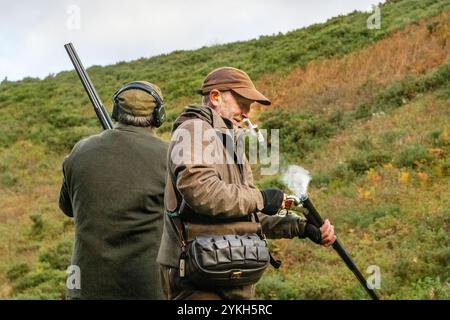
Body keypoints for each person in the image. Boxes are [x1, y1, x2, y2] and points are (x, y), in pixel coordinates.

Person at [157, 67, 336, 300]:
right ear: (215, 97)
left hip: (227, 269)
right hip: (199, 275)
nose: (247, 113)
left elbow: (247, 213)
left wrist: (302, 228)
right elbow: (202, 193)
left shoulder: (231, 142)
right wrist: (262, 198)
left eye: (250, 106)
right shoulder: (193, 129)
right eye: (242, 103)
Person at [59, 81, 168, 299]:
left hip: (85, 287)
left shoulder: (80, 151)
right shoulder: (169, 156)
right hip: (146, 288)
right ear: (159, 115)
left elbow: (67, 207)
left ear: (116, 111)